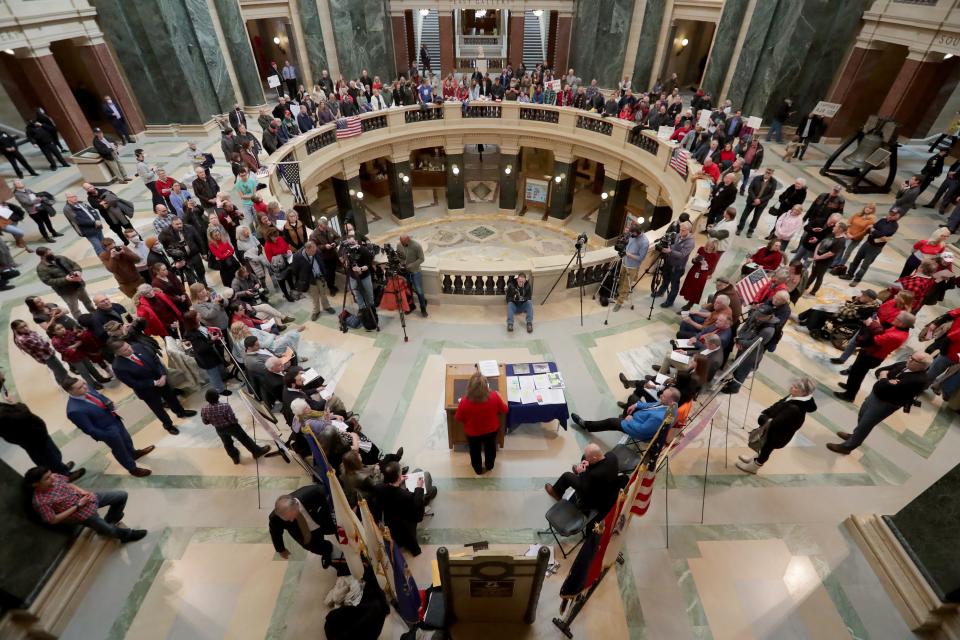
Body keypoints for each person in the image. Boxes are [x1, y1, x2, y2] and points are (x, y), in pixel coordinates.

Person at [827, 352, 932, 455]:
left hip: (886, 403)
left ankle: (847, 447)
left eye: (914, 360)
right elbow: (880, 371)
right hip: (875, 394)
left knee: (866, 424)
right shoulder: (903, 364)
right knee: (862, 415)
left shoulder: (919, 380)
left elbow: (886, 386)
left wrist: (884, 377)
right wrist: (886, 379)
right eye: (911, 357)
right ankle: (855, 436)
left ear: (922, 366)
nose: (909, 360)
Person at [25, 466, 146, 542]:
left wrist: (82, 491)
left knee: (121, 495)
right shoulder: (41, 502)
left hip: (88, 499)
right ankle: (126, 535)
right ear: (36, 484)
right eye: (47, 478)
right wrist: (77, 506)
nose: (52, 478)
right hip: (80, 514)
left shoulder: (55, 477)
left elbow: (68, 484)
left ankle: (111, 518)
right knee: (109, 530)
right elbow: (53, 520)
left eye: (50, 474)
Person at [0, 371, 84, 480]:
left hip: (32, 435)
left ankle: (60, 468)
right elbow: (22, 415)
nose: (4, 375)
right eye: (2, 378)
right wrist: (16, 404)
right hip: (31, 438)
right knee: (48, 456)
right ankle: (64, 475)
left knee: (52, 453)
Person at [63, 376, 154, 476]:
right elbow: (90, 429)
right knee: (120, 450)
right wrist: (107, 435)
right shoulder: (74, 410)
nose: (85, 387)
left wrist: (109, 403)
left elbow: (99, 396)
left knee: (126, 439)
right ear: (70, 391)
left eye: (83, 383)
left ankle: (133, 453)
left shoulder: (86, 388)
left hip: (114, 419)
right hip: (107, 431)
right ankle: (132, 469)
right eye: (80, 387)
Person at [109, 339, 197, 434]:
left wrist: (163, 375)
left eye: (128, 346)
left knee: (171, 398)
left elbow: (156, 360)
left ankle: (181, 412)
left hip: (161, 380)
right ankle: (168, 425)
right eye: (125, 350)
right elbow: (132, 383)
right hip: (147, 390)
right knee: (158, 409)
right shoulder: (118, 366)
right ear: (118, 353)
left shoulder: (138, 347)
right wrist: (154, 383)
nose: (129, 349)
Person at [735, 378, 816, 474]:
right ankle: (755, 459)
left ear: (804, 393)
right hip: (774, 431)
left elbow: (775, 424)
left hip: (777, 435)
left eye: (796, 387)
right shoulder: (794, 396)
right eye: (793, 384)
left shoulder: (795, 408)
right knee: (763, 447)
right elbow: (778, 404)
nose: (792, 387)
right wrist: (766, 412)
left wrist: (762, 418)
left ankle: (755, 466)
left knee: (766, 449)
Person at [834, 312, 914, 402]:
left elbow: (875, 339)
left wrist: (871, 324)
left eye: (897, 319)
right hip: (869, 352)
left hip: (872, 356)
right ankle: (849, 386)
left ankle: (849, 395)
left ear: (902, 323)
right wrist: (877, 325)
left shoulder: (897, 336)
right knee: (854, 370)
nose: (894, 319)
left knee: (858, 375)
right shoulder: (899, 328)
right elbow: (882, 332)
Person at [269, 487, 346, 573]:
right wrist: (281, 549)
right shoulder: (275, 518)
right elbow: (275, 532)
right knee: (315, 547)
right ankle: (327, 550)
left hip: (323, 521)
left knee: (342, 536)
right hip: (303, 532)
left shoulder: (313, 493)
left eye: (291, 517)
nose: (291, 521)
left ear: (296, 505)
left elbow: (331, 496)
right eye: (287, 519)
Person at [571, 387, 680, 442]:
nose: (660, 396)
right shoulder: (671, 405)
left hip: (638, 428)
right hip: (642, 418)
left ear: (671, 401)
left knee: (611, 422)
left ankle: (586, 425)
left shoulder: (659, 418)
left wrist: (630, 420)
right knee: (633, 398)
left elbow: (642, 430)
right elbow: (652, 405)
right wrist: (636, 405)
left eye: (663, 397)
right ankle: (624, 416)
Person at [376, 460, 437, 556]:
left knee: (418, 470)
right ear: (397, 476)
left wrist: (399, 481)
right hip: (406, 520)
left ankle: (429, 493)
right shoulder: (407, 496)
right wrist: (419, 488)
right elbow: (418, 510)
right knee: (427, 476)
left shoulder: (380, 488)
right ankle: (429, 496)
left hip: (392, 517)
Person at [543, 443, 619, 518]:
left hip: (593, 494)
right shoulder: (611, 456)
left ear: (595, 458)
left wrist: (582, 473)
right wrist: (587, 463)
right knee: (583, 457)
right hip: (605, 482)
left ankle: (556, 492)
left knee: (566, 476)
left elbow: (584, 487)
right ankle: (580, 469)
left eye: (588, 457)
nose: (586, 457)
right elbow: (599, 465)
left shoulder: (594, 474)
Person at [454, 371, 508, 475]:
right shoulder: (494, 397)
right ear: (486, 386)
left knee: (474, 451)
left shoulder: (464, 402)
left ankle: (478, 469)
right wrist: (499, 396)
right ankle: (489, 465)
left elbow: (458, 418)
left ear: (470, 387)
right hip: (491, 430)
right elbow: (505, 409)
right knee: (490, 448)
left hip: (472, 433)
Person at [200, 389, 270, 463]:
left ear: (206, 399)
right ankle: (257, 452)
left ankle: (235, 457)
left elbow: (205, 422)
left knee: (227, 444)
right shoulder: (225, 406)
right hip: (232, 427)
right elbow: (231, 419)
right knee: (244, 439)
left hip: (219, 429)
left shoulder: (204, 409)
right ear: (218, 397)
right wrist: (235, 422)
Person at [841, 208, 901, 285]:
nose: (890, 215)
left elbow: (881, 234)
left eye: (893, 214)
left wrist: (873, 230)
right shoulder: (882, 220)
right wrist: (873, 230)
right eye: (890, 213)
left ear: (897, 216)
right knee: (856, 260)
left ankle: (857, 279)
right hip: (868, 243)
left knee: (865, 265)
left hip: (875, 247)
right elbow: (869, 229)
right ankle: (849, 274)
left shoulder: (894, 226)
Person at [35, 247, 95, 319]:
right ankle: (82, 322)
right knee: (75, 309)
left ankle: (95, 315)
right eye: (49, 254)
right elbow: (48, 281)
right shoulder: (41, 268)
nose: (52, 254)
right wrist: (65, 279)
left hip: (78, 285)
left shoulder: (61, 258)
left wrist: (77, 271)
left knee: (88, 302)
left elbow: (74, 265)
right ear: (43, 256)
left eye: (51, 252)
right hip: (67, 292)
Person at [798, 289, 878, 335]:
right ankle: (801, 318)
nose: (861, 296)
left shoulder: (868, 308)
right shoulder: (866, 303)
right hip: (843, 311)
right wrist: (856, 299)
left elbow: (849, 313)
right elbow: (853, 304)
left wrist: (844, 305)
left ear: (870, 299)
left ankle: (808, 328)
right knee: (819, 306)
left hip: (844, 318)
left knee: (819, 311)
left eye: (864, 295)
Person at [291, 241, 336, 321]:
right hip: (310, 280)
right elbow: (295, 270)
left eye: (315, 250)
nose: (315, 252)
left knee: (323, 293)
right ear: (307, 250)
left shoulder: (316, 251)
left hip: (320, 276)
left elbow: (321, 262)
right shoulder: (297, 256)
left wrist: (324, 272)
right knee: (314, 296)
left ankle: (326, 306)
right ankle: (316, 311)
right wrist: (303, 278)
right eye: (312, 251)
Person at [656, 222, 695, 308]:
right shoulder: (677, 235)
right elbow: (671, 244)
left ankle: (669, 301)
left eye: (683, 230)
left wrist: (670, 251)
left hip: (678, 267)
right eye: (680, 229)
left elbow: (682, 255)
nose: (680, 231)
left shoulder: (690, 242)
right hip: (669, 262)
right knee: (665, 279)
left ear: (689, 230)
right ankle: (660, 292)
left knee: (674, 285)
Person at [614, 223, 650, 311]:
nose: (631, 235)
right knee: (621, 280)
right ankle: (620, 295)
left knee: (626, 284)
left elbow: (641, 258)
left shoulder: (644, 242)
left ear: (638, 232)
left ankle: (619, 302)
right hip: (624, 262)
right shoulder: (631, 235)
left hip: (632, 266)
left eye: (632, 233)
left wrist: (628, 254)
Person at [805, 222, 847, 295]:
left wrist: (819, 257)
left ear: (840, 229)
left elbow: (831, 253)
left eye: (835, 226)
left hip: (825, 261)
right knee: (813, 273)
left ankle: (813, 292)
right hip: (817, 257)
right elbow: (820, 243)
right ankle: (805, 286)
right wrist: (815, 254)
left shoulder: (841, 240)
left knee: (819, 276)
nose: (833, 227)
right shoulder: (832, 234)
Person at [737, 167, 778, 238]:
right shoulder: (757, 178)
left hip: (761, 204)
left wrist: (760, 200)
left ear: (772, 173)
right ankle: (739, 228)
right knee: (744, 216)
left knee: (756, 218)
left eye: (770, 172)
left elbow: (771, 194)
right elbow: (750, 189)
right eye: (767, 171)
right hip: (751, 201)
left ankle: (750, 231)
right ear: (765, 171)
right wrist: (755, 199)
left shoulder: (774, 182)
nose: (768, 173)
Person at [679, 239, 721, 309]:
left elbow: (710, 267)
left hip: (703, 274)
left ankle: (689, 305)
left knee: (696, 289)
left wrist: (703, 263)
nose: (709, 248)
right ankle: (688, 299)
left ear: (714, 248)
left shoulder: (715, 255)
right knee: (689, 285)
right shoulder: (701, 249)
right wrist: (695, 260)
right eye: (708, 245)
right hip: (694, 270)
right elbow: (694, 260)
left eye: (711, 247)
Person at [397, 234, 428, 316]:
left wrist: (412, 265)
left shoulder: (416, 246)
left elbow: (422, 258)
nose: (402, 244)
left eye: (403, 242)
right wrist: (401, 263)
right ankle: (411, 306)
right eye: (401, 242)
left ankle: (423, 308)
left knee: (419, 291)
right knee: (408, 290)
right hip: (405, 272)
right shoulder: (399, 245)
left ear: (408, 240)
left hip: (415, 272)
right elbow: (399, 257)